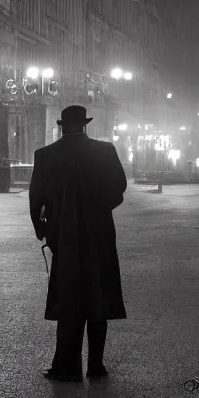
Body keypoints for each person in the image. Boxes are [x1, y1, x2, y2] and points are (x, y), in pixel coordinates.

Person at [29, 105, 128, 382]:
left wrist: (44, 230)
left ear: (62, 126)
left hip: (65, 237)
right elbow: (119, 187)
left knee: (68, 300)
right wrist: (102, 208)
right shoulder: (105, 151)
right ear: (85, 125)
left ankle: (67, 367)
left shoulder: (46, 155)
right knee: (98, 298)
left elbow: (35, 200)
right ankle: (96, 365)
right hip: (99, 235)